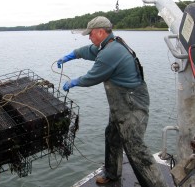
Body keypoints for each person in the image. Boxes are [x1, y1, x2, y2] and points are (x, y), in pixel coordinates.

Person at [57, 16, 168, 187]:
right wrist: (73, 55)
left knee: (136, 148)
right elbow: (90, 50)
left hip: (132, 104)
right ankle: (112, 174)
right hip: (120, 104)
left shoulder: (111, 52)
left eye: (91, 34)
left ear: (101, 32)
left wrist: (74, 81)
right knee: (112, 136)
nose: (89, 37)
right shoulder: (108, 44)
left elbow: (92, 77)